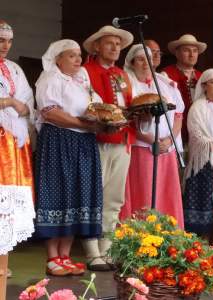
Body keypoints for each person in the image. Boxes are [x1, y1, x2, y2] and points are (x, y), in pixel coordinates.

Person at [34, 39, 104, 276]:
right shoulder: (50, 79)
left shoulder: (81, 82)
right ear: (58, 59)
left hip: (82, 142)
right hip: (59, 140)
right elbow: (50, 112)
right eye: (71, 55)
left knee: (76, 194)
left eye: (78, 55)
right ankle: (52, 257)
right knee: (58, 193)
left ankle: (65, 255)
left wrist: (100, 123)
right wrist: (83, 125)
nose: (78, 60)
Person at [81, 25, 134, 271]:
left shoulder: (122, 75)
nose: (115, 48)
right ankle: (92, 252)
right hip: (96, 141)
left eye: (118, 44)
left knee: (114, 198)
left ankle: (107, 250)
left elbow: (128, 104)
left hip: (122, 140)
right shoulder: (86, 71)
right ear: (97, 46)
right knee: (94, 195)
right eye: (109, 43)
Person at [120, 44, 185, 227]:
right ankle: (141, 237)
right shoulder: (128, 84)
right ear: (132, 63)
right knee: (146, 193)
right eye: (140, 59)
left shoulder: (164, 83)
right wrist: (151, 139)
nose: (145, 63)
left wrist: (169, 139)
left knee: (166, 192)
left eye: (148, 59)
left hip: (166, 148)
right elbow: (127, 119)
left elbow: (179, 114)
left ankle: (167, 236)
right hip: (142, 148)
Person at [0, 20, 35, 299]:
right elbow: (14, 101)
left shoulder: (15, 69)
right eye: (1, 40)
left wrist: (15, 103)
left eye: (9, 41)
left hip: (13, 142)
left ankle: (3, 257)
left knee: (9, 203)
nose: (5, 46)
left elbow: (26, 100)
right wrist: (10, 103)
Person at [183, 68, 213, 243]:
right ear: (204, 86)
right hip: (205, 161)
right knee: (205, 201)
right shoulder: (198, 107)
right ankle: (201, 243)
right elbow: (197, 135)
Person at [162, 34, 206, 146]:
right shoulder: (166, 75)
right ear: (177, 53)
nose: (192, 55)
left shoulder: (203, 76)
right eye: (187, 50)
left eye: (195, 51)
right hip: (176, 132)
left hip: (199, 134)